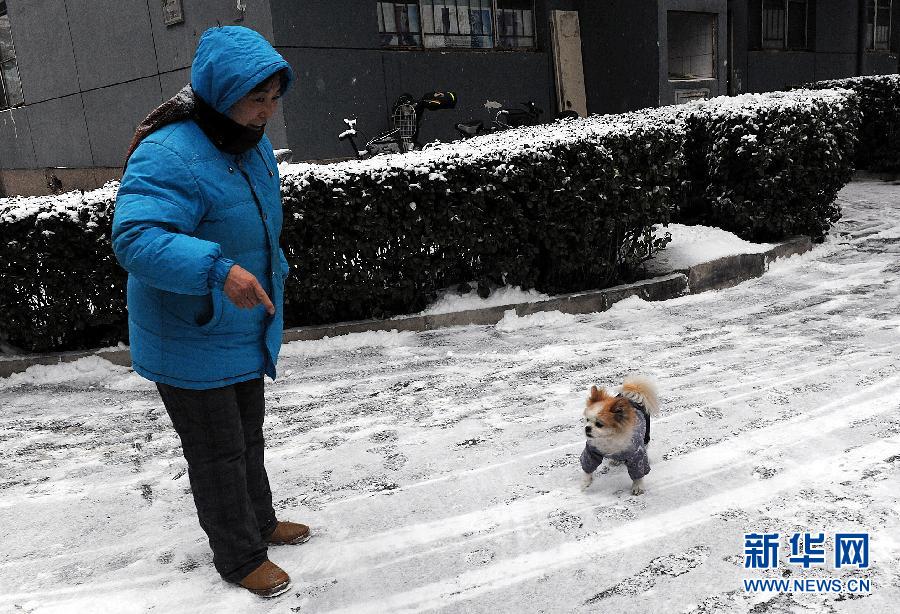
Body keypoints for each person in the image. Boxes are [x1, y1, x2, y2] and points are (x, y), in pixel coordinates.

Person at [112, 26, 307, 598]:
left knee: (248, 437)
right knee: (218, 452)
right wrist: (218, 270)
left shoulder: (248, 140)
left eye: (274, 98)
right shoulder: (168, 152)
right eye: (257, 99)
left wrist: (272, 265)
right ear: (222, 93)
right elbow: (136, 237)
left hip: (240, 325)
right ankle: (240, 556)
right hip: (189, 332)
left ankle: (261, 524)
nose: (268, 112)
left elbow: (252, 220)